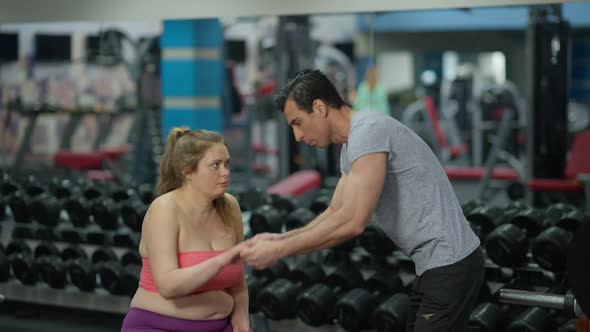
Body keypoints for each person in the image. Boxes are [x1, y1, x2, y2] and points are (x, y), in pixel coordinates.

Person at [240, 69, 484, 332]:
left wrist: (278, 252)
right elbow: (336, 210)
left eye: (297, 123)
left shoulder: (369, 130)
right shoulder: (351, 147)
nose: (297, 136)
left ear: (319, 108)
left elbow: (353, 222)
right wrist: (281, 239)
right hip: (434, 265)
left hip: (450, 264)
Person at [121, 128, 250, 332]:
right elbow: (168, 286)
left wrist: (241, 322)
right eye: (215, 165)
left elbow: (238, 281)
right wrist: (222, 259)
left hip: (222, 325)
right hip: (158, 326)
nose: (225, 172)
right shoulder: (165, 209)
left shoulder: (230, 206)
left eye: (227, 164)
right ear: (187, 171)